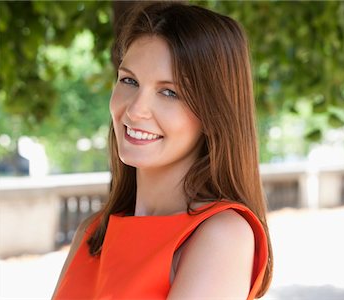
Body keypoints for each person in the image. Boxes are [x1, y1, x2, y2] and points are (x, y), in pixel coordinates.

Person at [53, 2, 273, 299]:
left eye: (169, 92)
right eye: (129, 80)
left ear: (213, 113)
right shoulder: (92, 232)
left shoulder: (222, 235)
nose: (135, 110)